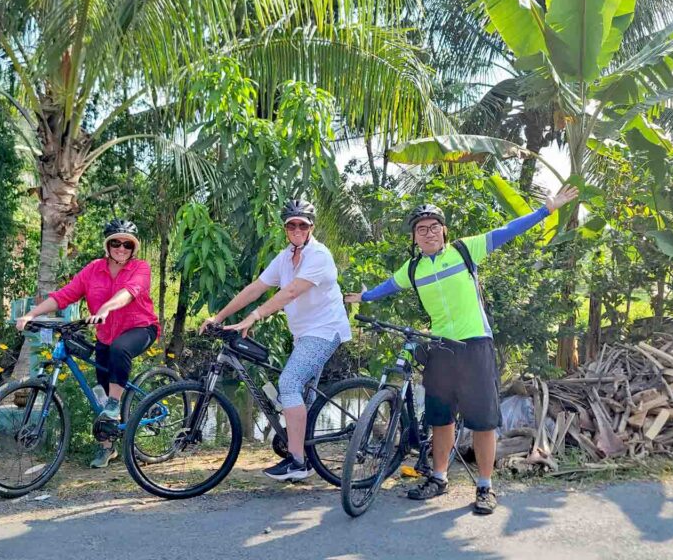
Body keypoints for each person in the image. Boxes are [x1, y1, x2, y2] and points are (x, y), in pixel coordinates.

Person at [344, 186, 579, 515]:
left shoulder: (464, 250)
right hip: (440, 349)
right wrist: (364, 298)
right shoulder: (413, 269)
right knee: (440, 420)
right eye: (421, 229)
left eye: (434, 227)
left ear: (444, 231)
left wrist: (545, 211)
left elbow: (507, 231)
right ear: (414, 237)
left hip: (474, 345)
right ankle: (439, 478)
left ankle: (485, 486)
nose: (428, 233)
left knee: (482, 421)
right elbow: (388, 286)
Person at [200, 199, 352, 481]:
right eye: (291, 224)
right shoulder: (284, 257)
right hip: (303, 333)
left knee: (289, 383)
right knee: (302, 394)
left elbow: (290, 292)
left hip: (325, 330)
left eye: (302, 224)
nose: (296, 229)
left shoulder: (319, 255)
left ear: (311, 227)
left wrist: (253, 317)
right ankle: (301, 452)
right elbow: (256, 288)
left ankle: (297, 463)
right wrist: (218, 318)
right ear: (285, 228)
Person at [15, 218, 160, 468]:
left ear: (133, 248)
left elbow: (129, 293)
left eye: (127, 245)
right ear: (107, 245)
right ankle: (107, 447)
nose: (121, 249)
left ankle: (116, 405)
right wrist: (32, 314)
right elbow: (64, 295)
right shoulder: (93, 269)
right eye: (116, 243)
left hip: (140, 328)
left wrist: (105, 307)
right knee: (101, 391)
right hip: (106, 334)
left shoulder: (141, 268)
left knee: (120, 350)